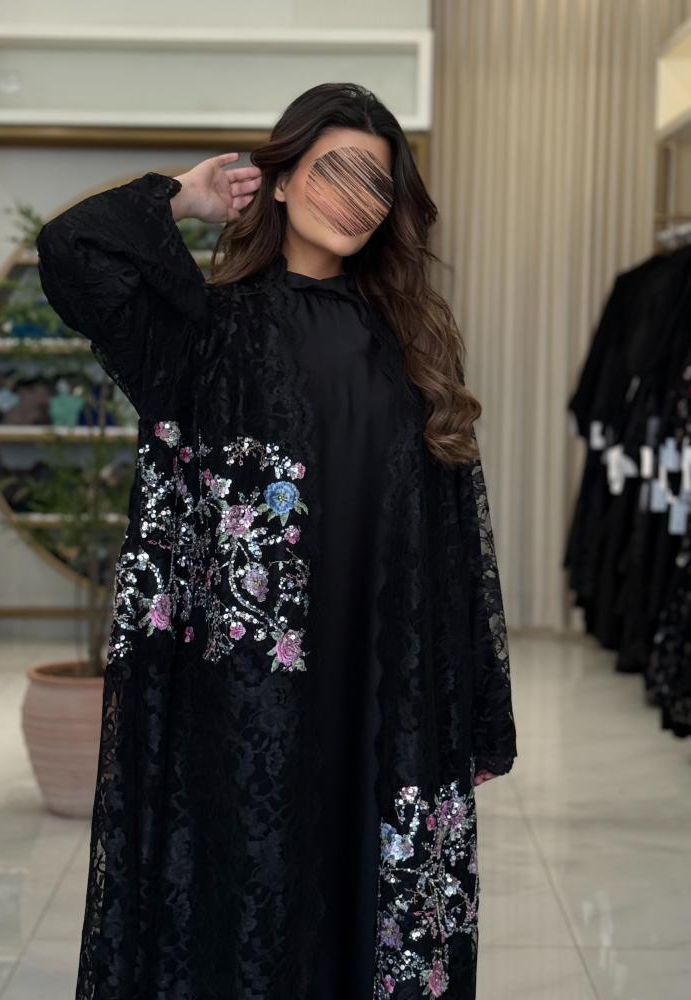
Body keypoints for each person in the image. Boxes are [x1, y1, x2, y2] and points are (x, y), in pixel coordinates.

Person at [36, 81, 517, 1000]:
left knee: (378, 913)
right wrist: (185, 196)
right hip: (250, 700)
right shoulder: (203, 333)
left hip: (386, 686)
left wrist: (480, 708)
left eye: (376, 185)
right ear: (282, 180)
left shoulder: (414, 343)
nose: (356, 201)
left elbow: (461, 534)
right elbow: (71, 249)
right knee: (258, 908)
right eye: (333, 172)